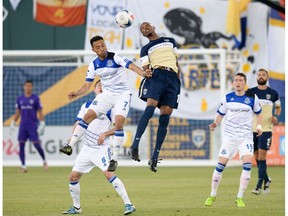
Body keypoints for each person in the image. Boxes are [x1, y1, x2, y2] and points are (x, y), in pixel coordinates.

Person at [59, 35, 150, 172]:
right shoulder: (94, 65)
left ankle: (114, 159)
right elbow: (87, 85)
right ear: (93, 50)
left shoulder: (115, 57)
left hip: (122, 94)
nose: (102, 48)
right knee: (88, 115)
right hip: (107, 94)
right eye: (98, 47)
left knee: (119, 122)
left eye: (103, 45)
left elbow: (131, 66)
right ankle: (70, 145)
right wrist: (77, 93)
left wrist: (143, 74)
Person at [62, 80, 136, 215]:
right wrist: (72, 139)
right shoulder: (86, 106)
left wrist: (105, 133)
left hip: (101, 148)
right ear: (94, 90)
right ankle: (77, 208)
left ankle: (129, 204)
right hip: (87, 149)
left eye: (104, 85)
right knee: (73, 177)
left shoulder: (111, 108)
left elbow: (119, 129)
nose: (101, 87)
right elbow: (79, 123)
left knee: (109, 174)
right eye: (98, 85)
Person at [129, 22, 181, 172]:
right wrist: (147, 72)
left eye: (146, 26)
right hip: (157, 75)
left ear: (153, 27)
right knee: (150, 109)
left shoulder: (170, 41)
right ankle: (135, 145)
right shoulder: (145, 49)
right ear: (143, 34)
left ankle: (155, 156)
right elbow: (146, 68)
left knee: (165, 115)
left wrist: (177, 80)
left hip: (173, 79)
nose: (144, 28)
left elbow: (176, 61)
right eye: (142, 29)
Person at [204, 73, 263, 208]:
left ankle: (239, 197)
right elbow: (220, 114)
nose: (238, 82)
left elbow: (259, 114)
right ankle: (212, 194)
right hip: (229, 138)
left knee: (247, 164)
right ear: (233, 83)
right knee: (221, 165)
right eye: (236, 80)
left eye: (241, 80)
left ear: (245, 83)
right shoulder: (228, 98)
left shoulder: (252, 97)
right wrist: (215, 124)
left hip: (245, 138)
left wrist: (259, 126)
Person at [248, 68, 281, 195]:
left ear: (267, 77)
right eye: (259, 75)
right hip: (252, 129)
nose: (261, 76)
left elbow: (278, 107)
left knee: (262, 156)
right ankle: (266, 180)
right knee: (256, 157)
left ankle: (258, 186)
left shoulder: (273, 93)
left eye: (263, 75)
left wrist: (276, 116)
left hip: (266, 129)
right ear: (256, 77)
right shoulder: (251, 92)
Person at [10, 80, 47, 173]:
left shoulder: (35, 98)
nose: (28, 87)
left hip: (32, 126)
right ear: (24, 87)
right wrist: (13, 122)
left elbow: (40, 111)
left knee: (36, 145)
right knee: (21, 145)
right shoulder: (20, 99)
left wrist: (42, 123)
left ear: (32, 87)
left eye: (30, 86)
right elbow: (18, 112)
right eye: (26, 86)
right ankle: (23, 166)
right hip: (22, 126)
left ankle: (44, 161)